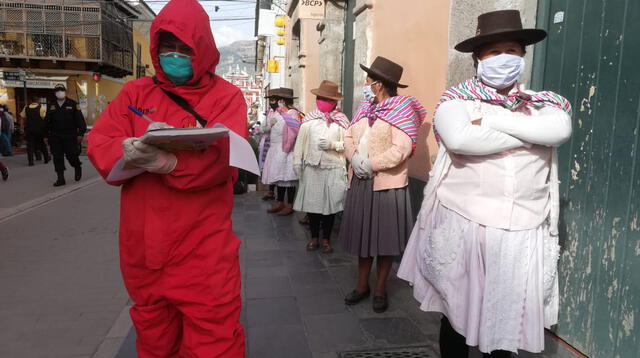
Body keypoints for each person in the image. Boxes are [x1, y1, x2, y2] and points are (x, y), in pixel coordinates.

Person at [397, 10, 573, 358]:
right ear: (478, 59)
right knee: (457, 318)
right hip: (467, 225)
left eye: (512, 49)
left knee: (507, 321)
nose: (503, 58)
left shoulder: (545, 103)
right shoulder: (455, 101)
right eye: (493, 52)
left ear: (523, 56)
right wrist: (529, 136)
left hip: (522, 228)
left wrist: (491, 120)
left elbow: (559, 131)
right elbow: (461, 140)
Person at [87, 0, 246, 356]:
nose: (175, 55)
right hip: (144, 252)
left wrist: (170, 163)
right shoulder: (134, 94)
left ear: (202, 48)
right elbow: (101, 140)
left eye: (184, 48)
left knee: (215, 342)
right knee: (155, 342)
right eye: (167, 46)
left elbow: (227, 160)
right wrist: (125, 149)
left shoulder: (226, 97)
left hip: (204, 252)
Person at [340, 57, 426, 313]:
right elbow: (347, 135)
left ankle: (380, 289)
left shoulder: (401, 110)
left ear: (379, 84)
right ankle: (361, 285)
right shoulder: (364, 108)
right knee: (363, 239)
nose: (365, 84)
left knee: (384, 241)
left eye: (368, 80)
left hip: (386, 186)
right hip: (360, 182)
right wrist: (354, 157)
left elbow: (401, 149)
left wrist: (372, 164)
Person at [293, 80, 350, 254]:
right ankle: (314, 237)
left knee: (330, 207)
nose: (322, 101)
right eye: (320, 97)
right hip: (312, 168)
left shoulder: (341, 121)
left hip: (334, 168)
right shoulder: (309, 120)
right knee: (314, 206)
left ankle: (326, 239)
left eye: (326, 98)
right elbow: (300, 143)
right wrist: (297, 161)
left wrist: (333, 145)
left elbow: (348, 145)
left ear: (334, 102)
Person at [261, 87, 301, 216]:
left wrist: (283, 112)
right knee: (280, 177)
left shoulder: (293, 113)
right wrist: (266, 128)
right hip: (275, 148)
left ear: (283, 100)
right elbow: (270, 129)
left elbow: (295, 127)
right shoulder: (276, 113)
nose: (275, 102)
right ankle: (280, 202)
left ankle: (290, 204)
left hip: (287, 148)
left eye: (277, 99)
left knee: (288, 178)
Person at [45, 84, 86, 186]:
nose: (59, 92)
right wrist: (45, 135)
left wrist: (80, 133)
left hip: (70, 135)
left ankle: (77, 166)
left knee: (71, 155)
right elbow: (47, 121)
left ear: (65, 91)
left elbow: (80, 120)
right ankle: (60, 178)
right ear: (55, 92)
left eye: (61, 90)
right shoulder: (51, 105)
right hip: (55, 135)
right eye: (57, 90)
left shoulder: (73, 104)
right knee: (57, 157)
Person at [259, 89, 278, 201]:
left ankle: (277, 194)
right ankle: (271, 191)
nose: (271, 102)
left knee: (276, 167)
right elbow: (263, 127)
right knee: (269, 167)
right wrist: (267, 128)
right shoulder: (270, 113)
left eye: (273, 100)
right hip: (267, 142)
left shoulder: (281, 113)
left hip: (277, 143)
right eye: (270, 100)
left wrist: (268, 128)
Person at [21, 96, 50, 166]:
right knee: (42, 144)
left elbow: (22, 118)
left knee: (30, 146)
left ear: (31, 101)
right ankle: (46, 158)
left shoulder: (26, 108)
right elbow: (44, 119)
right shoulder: (41, 108)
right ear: (38, 101)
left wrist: (22, 127)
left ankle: (30, 161)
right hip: (39, 130)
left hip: (29, 129)